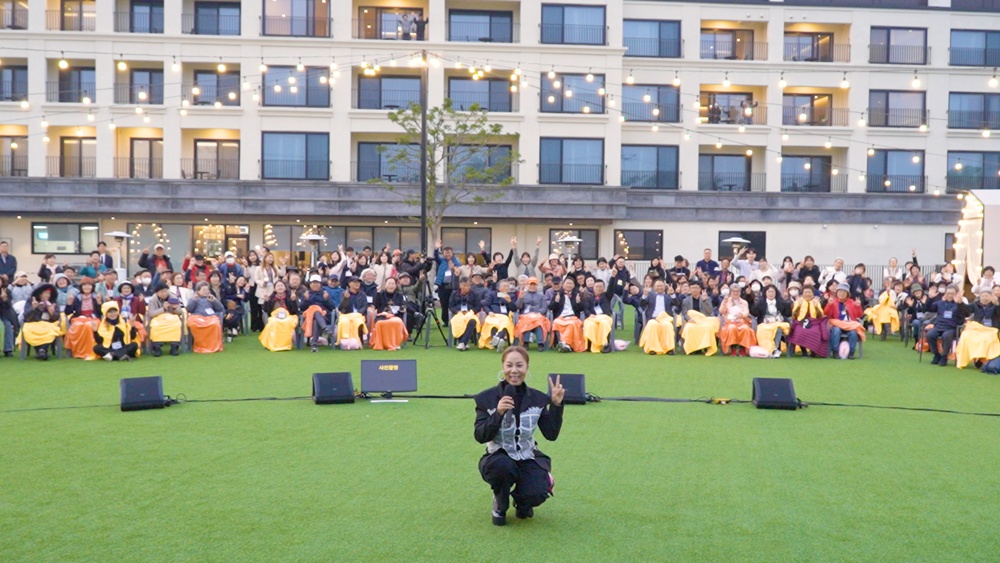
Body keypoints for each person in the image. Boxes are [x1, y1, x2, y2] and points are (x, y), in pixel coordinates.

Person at [474, 346, 565, 526]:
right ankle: (500, 500)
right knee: (503, 466)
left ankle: (523, 501)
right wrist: (498, 413)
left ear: (527, 368)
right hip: (497, 456)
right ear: (503, 367)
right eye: (509, 365)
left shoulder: (538, 399)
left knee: (537, 492)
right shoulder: (486, 398)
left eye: (519, 365)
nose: (514, 371)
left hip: (527, 455)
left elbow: (551, 434)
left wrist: (556, 405)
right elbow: (480, 435)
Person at [954, 290, 1000, 369]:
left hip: (991, 330)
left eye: (987, 296)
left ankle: (982, 359)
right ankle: (968, 358)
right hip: (977, 328)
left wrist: (997, 305)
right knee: (966, 336)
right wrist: (960, 302)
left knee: (987, 339)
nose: (985, 298)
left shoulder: (995, 304)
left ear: (991, 297)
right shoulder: (976, 305)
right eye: (983, 296)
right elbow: (966, 309)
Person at [925, 286, 968, 366]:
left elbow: (966, 314)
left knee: (946, 336)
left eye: (952, 294)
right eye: (948, 293)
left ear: (956, 294)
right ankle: (936, 355)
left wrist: (959, 304)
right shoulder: (940, 302)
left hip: (952, 328)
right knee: (930, 335)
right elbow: (928, 309)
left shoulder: (960, 303)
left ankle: (944, 356)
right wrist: (930, 298)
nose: (950, 295)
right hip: (939, 326)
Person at [20, 283, 63, 360]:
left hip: (48, 324)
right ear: (40, 294)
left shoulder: (53, 302)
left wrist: (52, 312)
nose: (48, 295)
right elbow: (26, 316)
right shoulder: (31, 301)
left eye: (49, 293)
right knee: (31, 331)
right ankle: (42, 351)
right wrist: (33, 308)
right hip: (33, 323)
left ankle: (41, 351)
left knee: (50, 331)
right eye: (46, 293)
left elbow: (56, 317)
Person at [824, 283, 865, 359]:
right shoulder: (833, 301)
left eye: (844, 292)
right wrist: (829, 304)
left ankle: (851, 353)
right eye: (840, 292)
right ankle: (835, 351)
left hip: (849, 325)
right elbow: (827, 314)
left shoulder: (852, 302)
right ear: (837, 293)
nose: (841, 294)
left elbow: (859, 315)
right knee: (836, 330)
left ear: (847, 294)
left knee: (853, 333)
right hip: (837, 324)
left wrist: (858, 306)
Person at [678, 282, 720, 356]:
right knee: (689, 328)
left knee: (708, 328)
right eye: (692, 288)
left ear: (700, 289)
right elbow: (684, 313)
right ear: (690, 289)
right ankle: (692, 349)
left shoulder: (706, 298)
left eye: (696, 288)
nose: (694, 290)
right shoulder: (686, 300)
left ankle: (705, 347)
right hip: (692, 320)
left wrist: (705, 301)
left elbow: (710, 311)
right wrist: (689, 319)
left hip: (704, 320)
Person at [787, 285, 829, 358]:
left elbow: (820, 316)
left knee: (816, 332)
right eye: (805, 292)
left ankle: (813, 351)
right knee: (799, 332)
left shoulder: (816, 302)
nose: (807, 294)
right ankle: (804, 352)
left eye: (809, 292)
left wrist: (816, 307)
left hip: (814, 322)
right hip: (800, 322)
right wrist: (799, 306)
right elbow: (794, 316)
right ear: (802, 293)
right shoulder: (798, 302)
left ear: (813, 293)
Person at [547, 277, 586, 353]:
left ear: (574, 285)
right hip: (561, 317)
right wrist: (556, 301)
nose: (569, 285)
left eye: (571, 283)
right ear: (563, 284)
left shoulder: (577, 295)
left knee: (571, 324)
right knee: (556, 322)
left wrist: (578, 302)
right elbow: (551, 307)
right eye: (567, 283)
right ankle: (565, 344)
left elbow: (581, 309)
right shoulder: (558, 294)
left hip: (572, 317)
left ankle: (564, 343)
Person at [638, 279, 676, 355]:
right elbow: (641, 303)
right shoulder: (650, 296)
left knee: (667, 325)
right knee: (652, 325)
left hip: (665, 318)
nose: (659, 287)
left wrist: (672, 294)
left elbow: (677, 303)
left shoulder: (668, 297)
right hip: (653, 318)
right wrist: (644, 295)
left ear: (665, 287)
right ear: (654, 287)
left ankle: (669, 349)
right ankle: (652, 348)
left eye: (661, 286)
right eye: (657, 286)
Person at [370, 277, 409, 351]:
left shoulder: (399, 295)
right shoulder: (380, 294)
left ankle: (395, 343)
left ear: (395, 286)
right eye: (389, 284)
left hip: (395, 316)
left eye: (393, 284)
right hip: (382, 316)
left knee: (397, 322)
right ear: (385, 285)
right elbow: (374, 304)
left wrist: (402, 308)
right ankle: (382, 343)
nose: (391, 286)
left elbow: (403, 306)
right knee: (379, 323)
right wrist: (377, 293)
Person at [718, 283, 756, 356]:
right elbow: (721, 311)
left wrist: (741, 315)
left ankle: (742, 348)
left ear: (740, 292)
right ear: (730, 292)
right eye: (733, 291)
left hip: (741, 321)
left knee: (745, 329)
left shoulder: (744, 302)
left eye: (737, 291)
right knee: (732, 328)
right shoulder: (726, 301)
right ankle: (733, 348)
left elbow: (746, 312)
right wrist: (724, 303)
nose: (735, 293)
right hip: (729, 322)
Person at [186, 281, 224, 354]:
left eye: (207, 290)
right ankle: (200, 345)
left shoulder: (211, 298)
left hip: (210, 317)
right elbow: (189, 309)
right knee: (194, 325)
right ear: (198, 291)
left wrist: (214, 301)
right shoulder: (193, 299)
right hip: (197, 317)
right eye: (204, 290)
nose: (206, 292)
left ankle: (213, 346)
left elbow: (220, 308)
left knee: (215, 325)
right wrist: (194, 300)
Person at [479, 279, 516, 352]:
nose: (506, 288)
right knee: (493, 324)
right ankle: (499, 341)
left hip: (505, 316)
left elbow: (514, 309)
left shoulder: (511, 296)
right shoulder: (492, 294)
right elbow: (485, 304)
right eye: (504, 286)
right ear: (499, 288)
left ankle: (497, 338)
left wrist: (509, 302)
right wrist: (489, 312)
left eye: (507, 286)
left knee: (505, 322)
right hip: (494, 315)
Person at [514, 277, 550, 351]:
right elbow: (518, 307)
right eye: (531, 284)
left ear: (537, 286)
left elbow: (544, 308)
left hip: (538, 315)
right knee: (528, 321)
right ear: (527, 285)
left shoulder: (541, 296)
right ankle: (526, 342)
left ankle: (540, 343)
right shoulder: (523, 294)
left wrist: (539, 313)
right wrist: (520, 298)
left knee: (538, 322)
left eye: (534, 285)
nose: (532, 286)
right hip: (525, 316)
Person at [147, 283, 183, 356]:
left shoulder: (173, 297)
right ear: (157, 292)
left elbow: (180, 312)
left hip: (171, 318)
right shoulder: (152, 300)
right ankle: (157, 347)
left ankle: (174, 346)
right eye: (162, 292)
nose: (164, 293)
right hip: (158, 319)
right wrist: (163, 309)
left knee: (176, 325)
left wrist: (174, 308)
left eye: (166, 291)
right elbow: (151, 313)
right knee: (155, 326)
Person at [449, 277, 482, 351]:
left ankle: (462, 342)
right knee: (456, 321)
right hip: (458, 313)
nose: (466, 287)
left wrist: (471, 311)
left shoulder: (475, 294)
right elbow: (451, 306)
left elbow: (478, 306)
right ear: (460, 285)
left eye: (468, 286)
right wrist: (457, 311)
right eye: (464, 285)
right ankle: (463, 342)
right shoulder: (454, 294)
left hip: (470, 313)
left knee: (472, 321)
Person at [581, 279, 613, 353]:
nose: (598, 288)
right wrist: (589, 314)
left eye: (601, 287)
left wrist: (613, 277)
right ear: (593, 288)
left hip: (604, 317)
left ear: (604, 288)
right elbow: (586, 309)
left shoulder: (607, 296)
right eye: (597, 287)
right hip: (593, 317)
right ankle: (592, 344)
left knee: (604, 323)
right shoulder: (589, 298)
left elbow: (611, 288)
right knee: (590, 324)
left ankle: (604, 344)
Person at [336, 277, 370, 347]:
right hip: (346, 315)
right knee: (344, 322)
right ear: (349, 284)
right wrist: (346, 299)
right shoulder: (343, 294)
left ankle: (357, 342)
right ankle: (345, 342)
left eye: (358, 282)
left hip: (359, 315)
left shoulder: (362, 294)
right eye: (355, 282)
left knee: (358, 321)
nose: (357, 284)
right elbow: (341, 308)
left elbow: (364, 306)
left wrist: (358, 313)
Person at [434, 240, 461, 325]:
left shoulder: (456, 262)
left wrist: (453, 267)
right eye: (445, 253)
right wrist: (436, 249)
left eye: (449, 253)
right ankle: (445, 321)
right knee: (444, 303)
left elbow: (459, 272)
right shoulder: (441, 261)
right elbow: (436, 257)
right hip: (442, 286)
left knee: (453, 303)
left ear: (452, 253)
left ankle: (454, 320)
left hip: (453, 286)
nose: (447, 254)